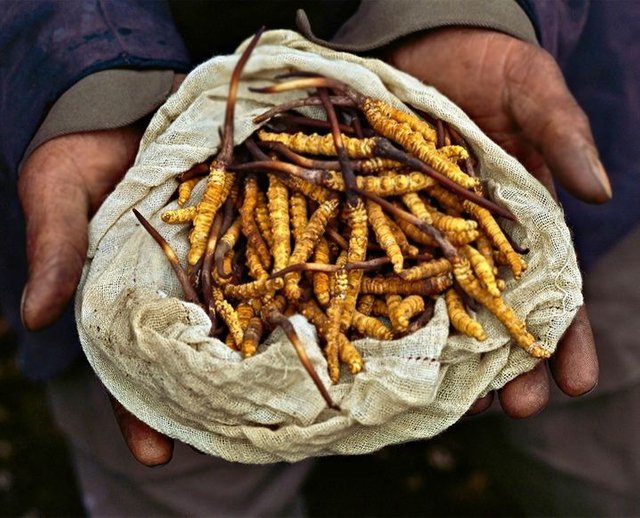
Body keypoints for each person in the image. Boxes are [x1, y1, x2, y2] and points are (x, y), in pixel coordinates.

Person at [1, 0, 636, 515]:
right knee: (185, 437)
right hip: (116, 106)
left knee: (593, 426)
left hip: (558, 73)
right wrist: (83, 75)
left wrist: (466, 9)